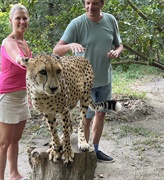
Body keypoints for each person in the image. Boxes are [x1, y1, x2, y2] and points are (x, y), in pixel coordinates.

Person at [53, 0, 123, 162]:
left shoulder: (111, 20)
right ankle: (83, 155)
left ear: (102, 4)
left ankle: (95, 150)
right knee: (86, 118)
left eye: (95, 3)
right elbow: (56, 50)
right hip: (84, 83)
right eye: (87, 3)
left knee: (101, 113)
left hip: (105, 79)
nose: (90, 7)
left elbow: (119, 45)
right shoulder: (77, 24)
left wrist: (116, 51)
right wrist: (70, 46)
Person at [0, 4, 32, 180]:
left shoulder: (24, 42)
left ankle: (14, 173)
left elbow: (25, 74)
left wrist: (28, 94)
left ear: (28, 20)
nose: (21, 21)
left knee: (15, 140)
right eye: (18, 18)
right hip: (5, 96)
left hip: (20, 95)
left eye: (24, 18)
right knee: (3, 142)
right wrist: (24, 59)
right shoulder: (8, 42)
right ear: (11, 20)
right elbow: (18, 59)